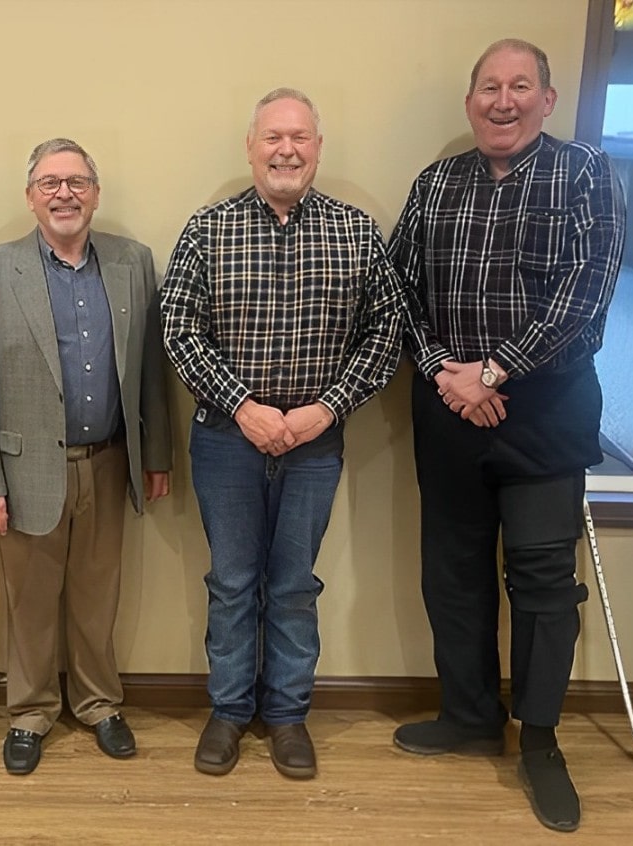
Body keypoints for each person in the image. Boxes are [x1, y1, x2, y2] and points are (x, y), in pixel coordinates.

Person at [387, 39, 626, 833]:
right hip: (446, 409)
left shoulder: (586, 175)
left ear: (546, 100)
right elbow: (398, 290)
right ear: (469, 103)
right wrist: (447, 372)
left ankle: (541, 738)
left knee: (541, 582)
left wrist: (491, 373)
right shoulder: (435, 184)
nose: (502, 100)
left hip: (545, 418)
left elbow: (583, 298)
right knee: (451, 575)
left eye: (519, 86)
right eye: (488, 87)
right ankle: (467, 715)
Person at [161, 89, 404, 779]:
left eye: (299, 137)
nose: (286, 149)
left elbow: (385, 334)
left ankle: (288, 714)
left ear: (317, 149)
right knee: (233, 582)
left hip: (315, 444)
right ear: (250, 146)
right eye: (272, 137)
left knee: (293, 585)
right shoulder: (207, 228)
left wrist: (324, 409)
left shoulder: (355, 232)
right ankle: (230, 712)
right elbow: (177, 328)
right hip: (224, 439)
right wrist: (243, 406)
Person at [0, 138, 172, 775]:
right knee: (29, 599)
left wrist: (154, 453)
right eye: (50, 183)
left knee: (98, 595)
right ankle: (29, 712)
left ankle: (100, 703)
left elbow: (149, 372)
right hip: (23, 471)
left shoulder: (133, 262)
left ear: (96, 194)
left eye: (77, 182)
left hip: (109, 460)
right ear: (30, 197)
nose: (64, 194)